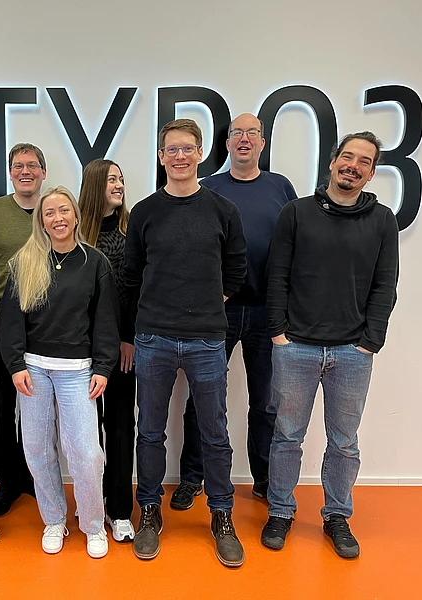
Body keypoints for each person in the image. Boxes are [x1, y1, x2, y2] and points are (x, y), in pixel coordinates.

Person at [261, 132, 399, 559]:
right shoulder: (297, 212)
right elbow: (276, 276)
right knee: (287, 436)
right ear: (333, 161)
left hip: (352, 353)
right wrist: (279, 334)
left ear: (371, 173)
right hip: (296, 348)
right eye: (347, 156)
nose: (353, 166)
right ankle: (280, 511)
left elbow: (385, 285)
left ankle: (337, 516)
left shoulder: (382, 220)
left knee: (344, 442)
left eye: (364, 161)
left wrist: (370, 342)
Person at [125, 118, 247, 566]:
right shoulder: (145, 212)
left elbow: (236, 269)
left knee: (215, 433)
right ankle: (149, 510)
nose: (180, 156)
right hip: (153, 337)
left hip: (207, 339)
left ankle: (221, 514)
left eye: (187, 148)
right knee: (149, 431)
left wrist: (209, 301)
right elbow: (132, 274)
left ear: (200, 154)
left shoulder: (222, 210)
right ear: (161, 157)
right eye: (171, 149)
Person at [171, 113, 298, 510]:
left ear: (262, 143)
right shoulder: (208, 188)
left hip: (267, 314)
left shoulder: (280, 187)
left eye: (252, 133)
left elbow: (294, 247)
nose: (244, 139)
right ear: (226, 144)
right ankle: (192, 477)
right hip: (215, 315)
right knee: (203, 400)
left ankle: (265, 480)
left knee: (266, 402)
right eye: (237, 133)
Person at [0, 186, 119, 559]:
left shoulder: (95, 262)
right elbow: (10, 320)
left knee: (87, 453)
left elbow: (106, 320)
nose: (58, 218)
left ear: (76, 216)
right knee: (37, 449)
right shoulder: (25, 261)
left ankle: (93, 525)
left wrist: (103, 366)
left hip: (78, 371)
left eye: (64, 210)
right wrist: (16, 364)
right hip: (33, 370)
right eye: (49, 213)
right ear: (42, 221)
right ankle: (53, 520)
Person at [0, 143, 47, 516]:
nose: (25, 172)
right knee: (4, 408)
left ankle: (39, 476)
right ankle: (9, 480)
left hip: (47, 323)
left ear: (43, 173)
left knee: (41, 408)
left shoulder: (54, 210)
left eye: (32, 165)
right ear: (10, 172)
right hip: (2, 322)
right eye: (18, 166)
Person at [78, 159, 136, 542]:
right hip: (81, 348)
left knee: (119, 425)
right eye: (111, 179)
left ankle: (119, 509)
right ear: (95, 184)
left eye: (121, 179)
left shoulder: (132, 231)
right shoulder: (76, 234)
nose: (118, 185)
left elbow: (135, 290)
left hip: (122, 347)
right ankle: (90, 501)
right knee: (85, 430)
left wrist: (127, 337)